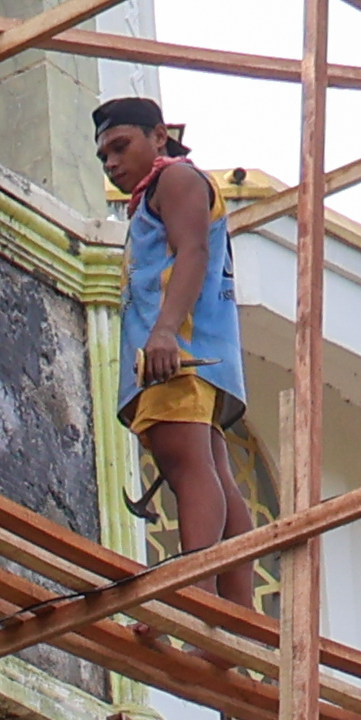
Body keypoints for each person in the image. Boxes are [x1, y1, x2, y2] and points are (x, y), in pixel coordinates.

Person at [91, 96, 245, 558]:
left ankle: (194, 597)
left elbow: (192, 252)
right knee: (212, 470)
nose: (112, 163)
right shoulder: (163, 191)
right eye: (103, 156)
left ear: (159, 136)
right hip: (196, 353)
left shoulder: (175, 178)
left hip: (174, 353)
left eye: (120, 146)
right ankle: (233, 613)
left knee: (186, 466)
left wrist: (164, 333)